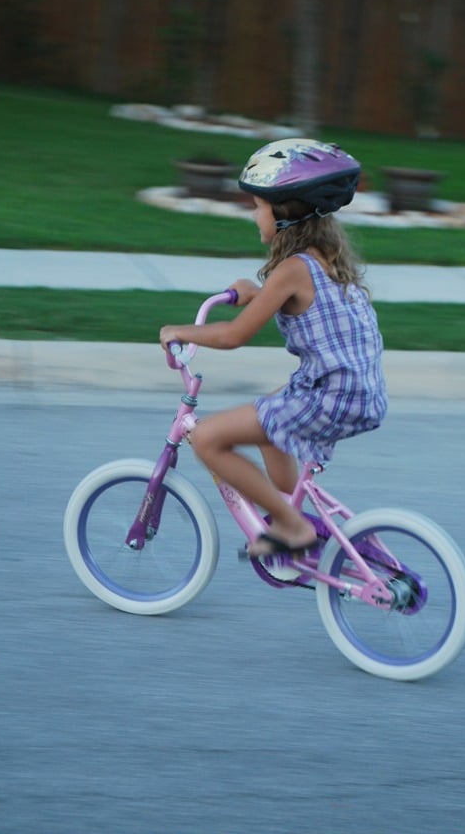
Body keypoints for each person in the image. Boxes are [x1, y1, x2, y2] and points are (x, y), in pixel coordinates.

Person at [159, 138, 387, 558]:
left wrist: (180, 331)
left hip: (329, 397)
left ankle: (291, 525)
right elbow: (300, 301)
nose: (254, 214)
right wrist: (257, 292)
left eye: (257, 206)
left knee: (208, 440)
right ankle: (288, 514)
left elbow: (232, 337)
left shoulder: (291, 270)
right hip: (359, 394)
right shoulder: (321, 260)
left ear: (285, 213)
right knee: (271, 422)